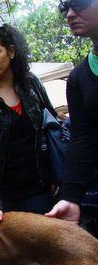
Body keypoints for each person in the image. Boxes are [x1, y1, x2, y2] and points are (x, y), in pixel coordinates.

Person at [0, 24, 56, 235]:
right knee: (2, 260)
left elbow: (51, 127)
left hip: (38, 189)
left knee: (38, 257)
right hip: (0, 195)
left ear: (11, 52)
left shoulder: (31, 84)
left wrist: (56, 178)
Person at [45, 0, 98, 224]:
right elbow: (83, 139)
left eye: (79, 4)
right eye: (65, 8)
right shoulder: (79, 76)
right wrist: (70, 197)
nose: (70, 14)